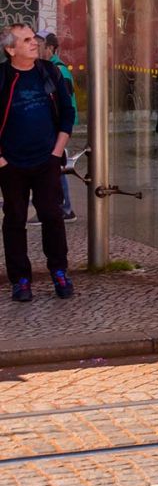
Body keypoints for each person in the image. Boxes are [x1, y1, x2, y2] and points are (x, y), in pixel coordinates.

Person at [0, 24, 75, 301]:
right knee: (15, 219)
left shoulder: (49, 72)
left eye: (35, 38)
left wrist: (57, 152)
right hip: (12, 165)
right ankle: (20, 279)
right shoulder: (3, 77)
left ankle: (59, 272)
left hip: (47, 160)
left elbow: (68, 114)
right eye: (27, 40)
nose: (35, 43)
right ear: (11, 49)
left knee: (52, 216)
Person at [38, 33, 76, 222]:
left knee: (57, 166)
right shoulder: (46, 68)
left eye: (40, 45)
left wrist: (62, 128)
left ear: (50, 48)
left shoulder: (58, 70)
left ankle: (65, 208)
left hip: (59, 127)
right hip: (55, 127)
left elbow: (66, 103)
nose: (36, 48)